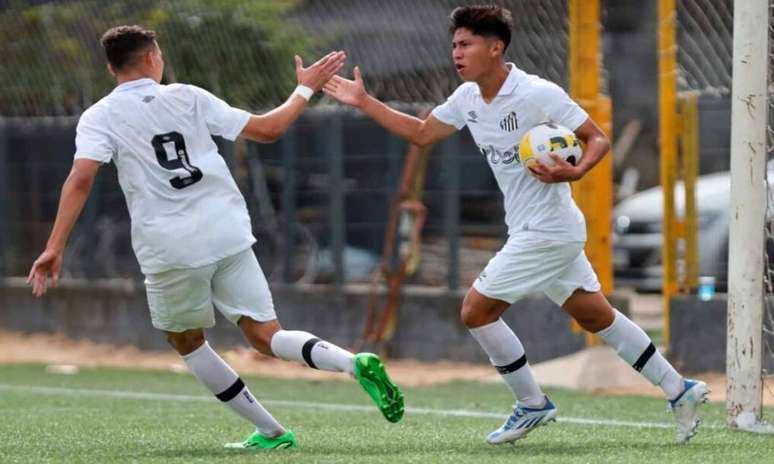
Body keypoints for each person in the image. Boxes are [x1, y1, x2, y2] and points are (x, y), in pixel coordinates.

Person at [323, 5, 707, 445]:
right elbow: (422, 134)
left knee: (476, 310)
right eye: (454, 45)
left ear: (495, 47)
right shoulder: (467, 98)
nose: (457, 53)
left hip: (547, 230)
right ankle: (681, 389)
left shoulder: (536, 93)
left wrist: (575, 171)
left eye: (465, 44)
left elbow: (596, 137)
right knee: (594, 314)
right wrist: (365, 101)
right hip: (540, 229)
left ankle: (531, 403)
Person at [27, 25, 404, 450]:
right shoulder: (188, 95)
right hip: (227, 231)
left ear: (112, 67)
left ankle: (272, 432)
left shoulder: (99, 116)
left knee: (186, 340)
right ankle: (355, 363)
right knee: (267, 335)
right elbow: (267, 130)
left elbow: (81, 178)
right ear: (153, 58)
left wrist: (54, 246)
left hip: (170, 247)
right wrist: (304, 91)